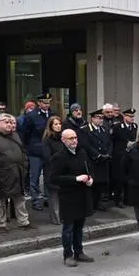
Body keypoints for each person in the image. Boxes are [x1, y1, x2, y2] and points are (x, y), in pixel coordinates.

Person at [50, 128, 96, 267]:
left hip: (82, 194)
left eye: (75, 137)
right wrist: (75, 178)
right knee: (68, 228)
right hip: (68, 196)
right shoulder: (59, 156)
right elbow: (54, 178)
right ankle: (68, 255)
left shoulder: (82, 152)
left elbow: (89, 168)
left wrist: (90, 179)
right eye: (71, 138)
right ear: (63, 140)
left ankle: (79, 251)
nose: (74, 140)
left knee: (79, 227)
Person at [0, 113, 33, 233]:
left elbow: (23, 152)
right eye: (6, 122)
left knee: (20, 200)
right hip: (1, 175)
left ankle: (24, 222)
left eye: (11, 122)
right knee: (0, 202)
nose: (10, 124)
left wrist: (24, 167)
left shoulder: (16, 136)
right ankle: (2, 225)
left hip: (18, 173)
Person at [20, 93, 55, 211]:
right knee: (34, 177)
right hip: (35, 151)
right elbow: (25, 133)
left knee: (48, 176)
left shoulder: (52, 114)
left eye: (48, 102)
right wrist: (28, 147)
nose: (47, 105)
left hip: (49, 150)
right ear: (39, 103)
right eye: (44, 102)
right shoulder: (31, 116)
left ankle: (47, 198)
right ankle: (35, 200)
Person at [81, 109, 113, 211]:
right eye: (98, 118)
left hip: (103, 160)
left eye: (102, 118)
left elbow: (109, 143)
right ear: (92, 118)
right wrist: (97, 155)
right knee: (92, 184)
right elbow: (86, 145)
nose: (101, 120)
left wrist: (107, 154)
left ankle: (98, 203)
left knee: (101, 184)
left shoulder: (104, 129)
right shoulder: (85, 129)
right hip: (92, 160)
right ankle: (90, 205)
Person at [111, 108, 138, 208]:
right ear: (125, 117)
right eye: (130, 117)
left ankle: (128, 198)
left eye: (133, 117)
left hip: (130, 154)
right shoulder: (118, 126)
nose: (132, 118)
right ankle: (118, 199)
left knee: (128, 177)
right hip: (119, 155)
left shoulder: (134, 126)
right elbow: (113, 139)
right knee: (119, 179)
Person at [42, 116, 65, 225]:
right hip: (52, 171)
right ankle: (56, 218)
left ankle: (62, 216)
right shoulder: (47, 139)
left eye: (59, 123)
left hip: (64, 170)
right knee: (53, 196)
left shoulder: (63, 137)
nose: (58, 126)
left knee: (62, 195)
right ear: (50, 126)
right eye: (55, 124)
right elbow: (47, 157)